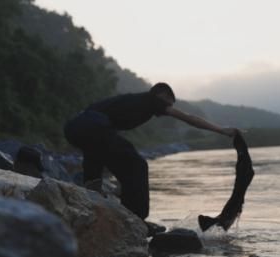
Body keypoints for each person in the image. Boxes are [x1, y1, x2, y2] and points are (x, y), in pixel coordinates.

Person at [64, 82, 238, 229]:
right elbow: (189, 118)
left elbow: (94, 128)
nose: (168, 108)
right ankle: (134, 219)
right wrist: (221, 130)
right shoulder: (153, 100)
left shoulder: (135, 100)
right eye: (169, 103)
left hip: (76, 128)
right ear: (162, 95)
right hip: (93, 127)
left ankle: (91, 200)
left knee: (99, 153)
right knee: (137, 165)